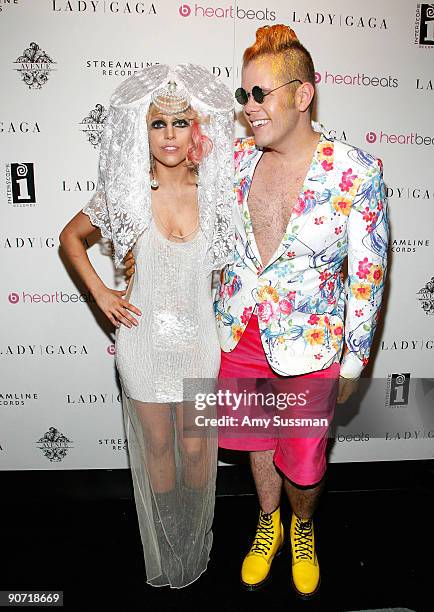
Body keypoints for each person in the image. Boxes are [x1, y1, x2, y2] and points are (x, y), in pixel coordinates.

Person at [214, 25, 389, 597]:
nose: (248, 108)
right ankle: (268, 525)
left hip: (311, 346)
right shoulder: (235, 163)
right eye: (243, 96)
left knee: (305, 460)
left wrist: (354, 362)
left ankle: (303, 527)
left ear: (302, 94)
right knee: (258, 444)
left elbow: (367, 276)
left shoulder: (355, 173)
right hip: (240, 333)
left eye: (259, 94)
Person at [59, 64, 234, 588]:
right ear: (144, 131)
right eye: (158, 124)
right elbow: (69, 237)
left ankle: (195, 538)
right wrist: (101, 293)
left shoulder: (218, 195)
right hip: (144, 346)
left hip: (201, 346)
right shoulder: (127, 193)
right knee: (158, 447)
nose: (170, 135)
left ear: (197, 130)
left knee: (198, 448)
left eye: (181, 122)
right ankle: (170, 540)